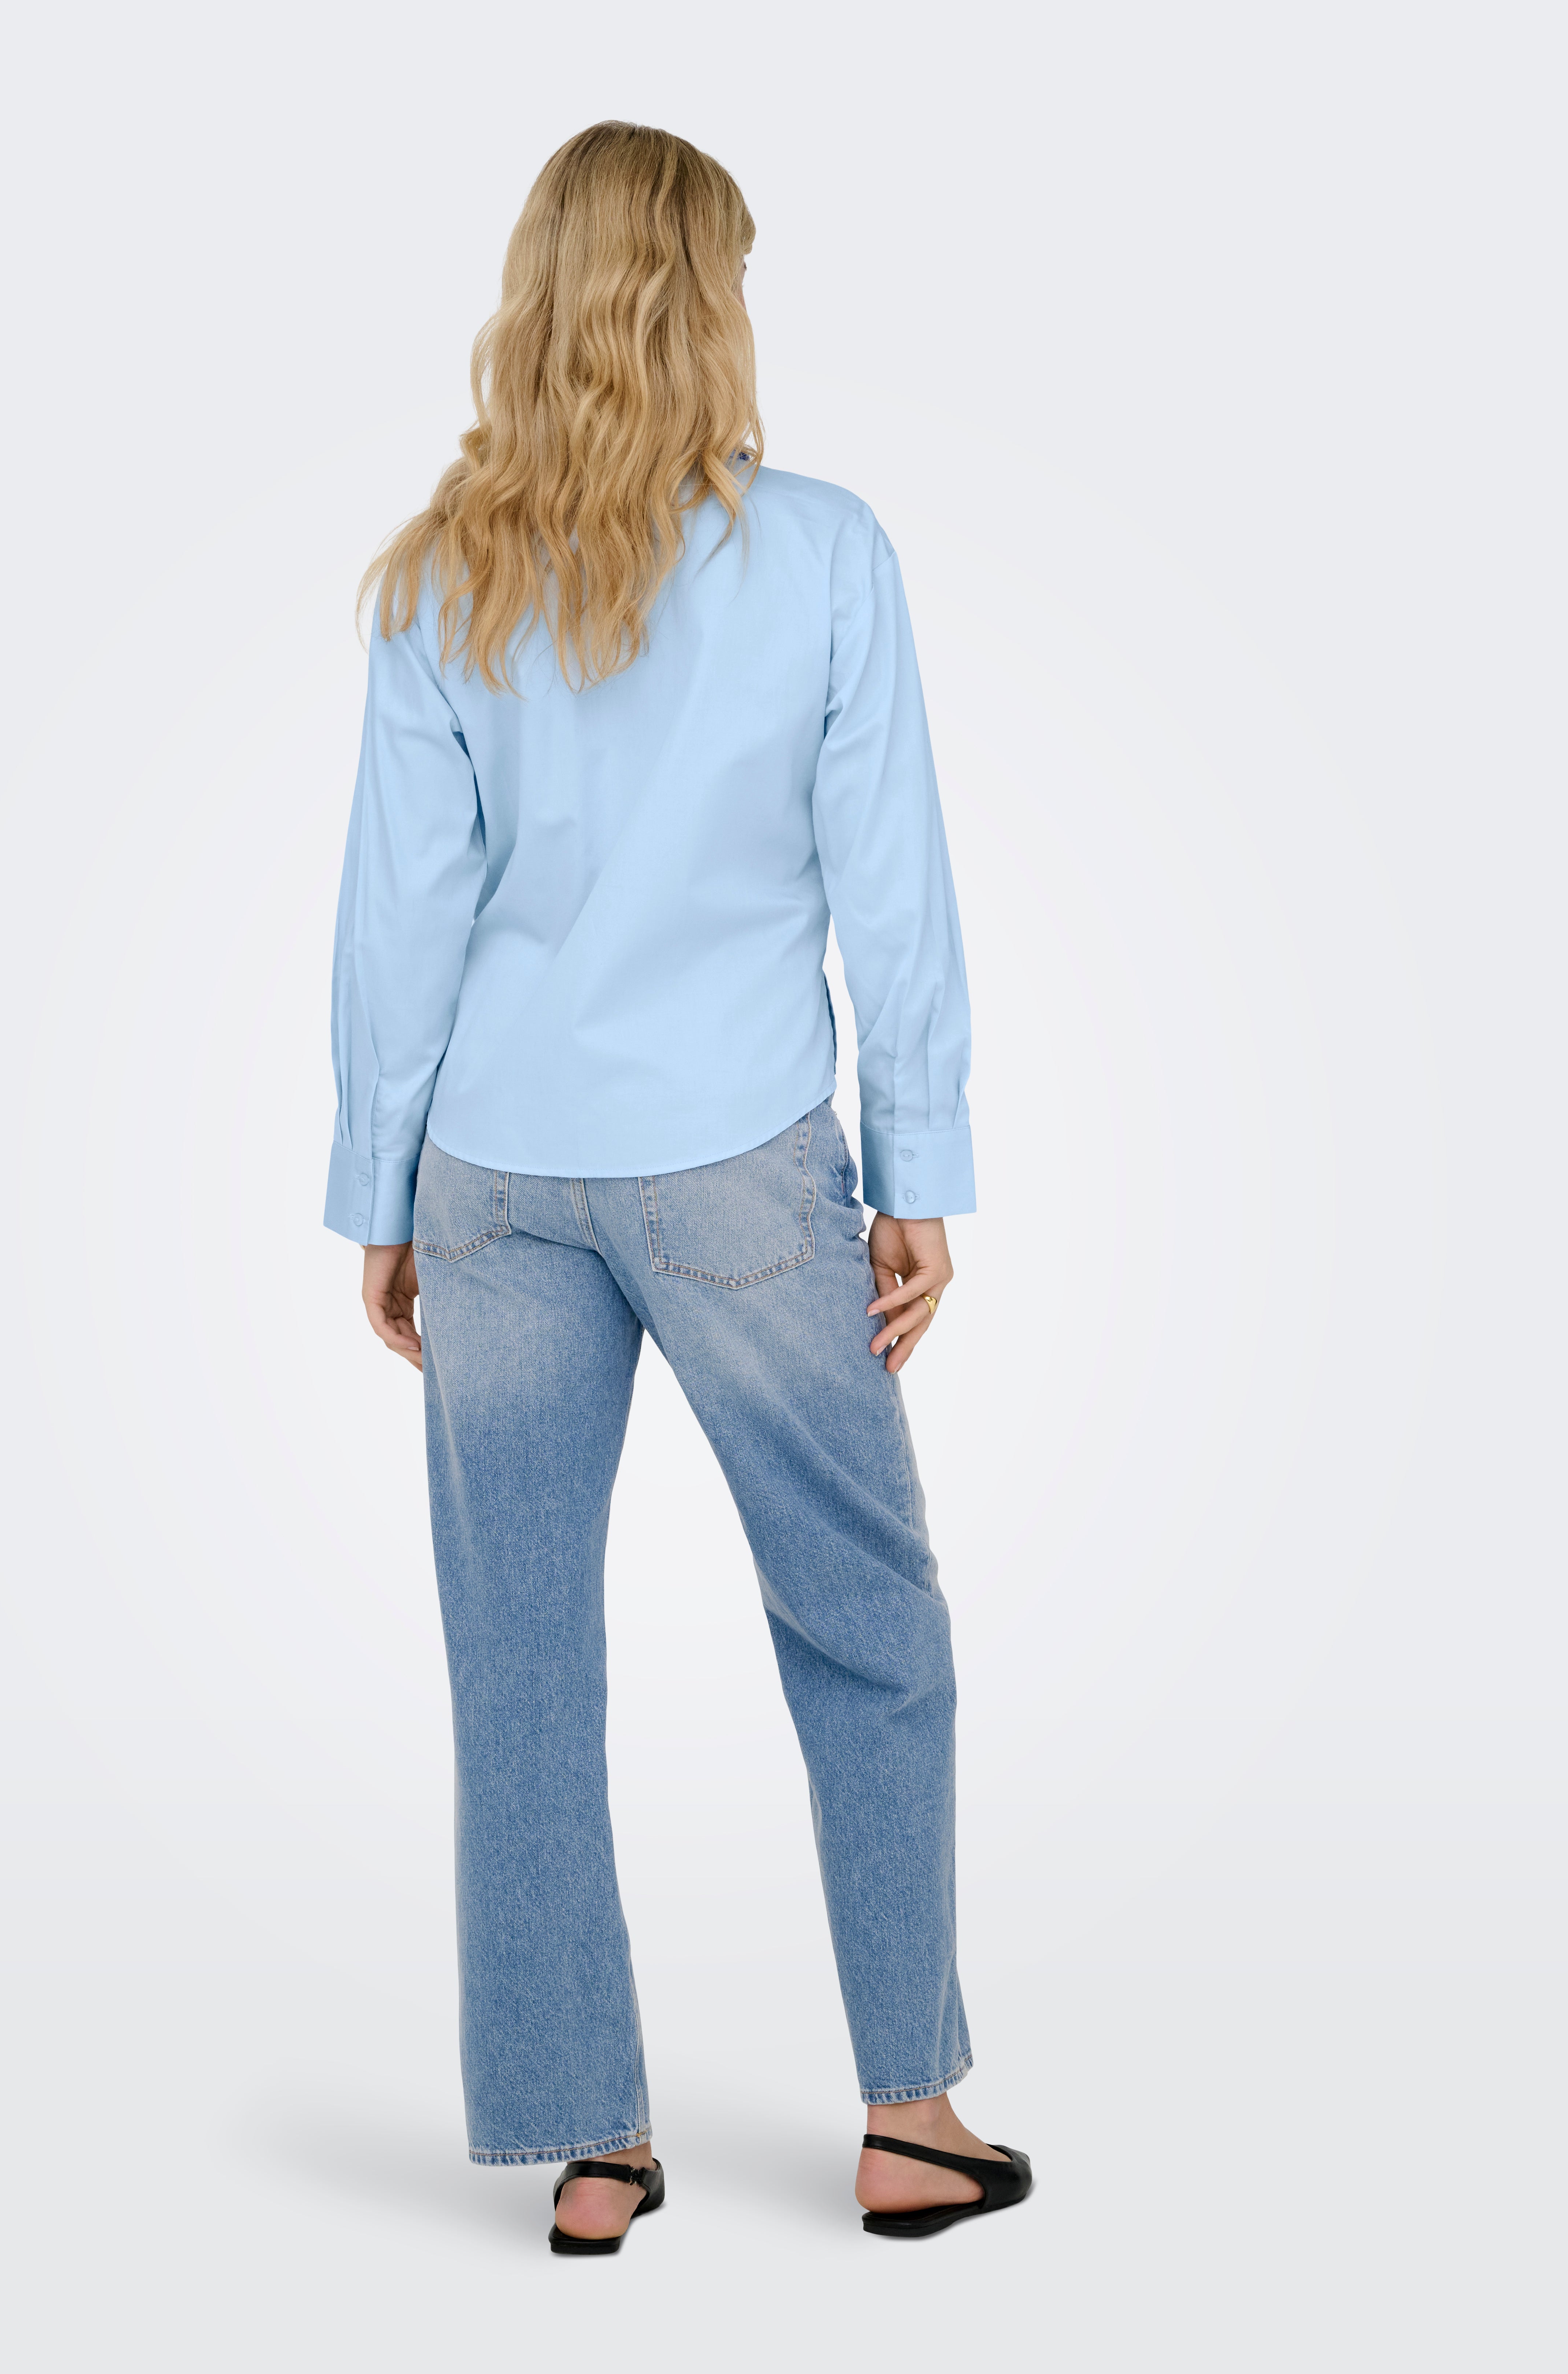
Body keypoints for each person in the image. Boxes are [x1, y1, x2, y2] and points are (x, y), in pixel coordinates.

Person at [323, 120, 1031, 2252]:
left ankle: (589, 2145)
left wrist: (381, 1189)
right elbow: (894, 888)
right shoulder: (822, 554)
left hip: (500, 1174)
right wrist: (920, 1164)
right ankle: (910, 2115)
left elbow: (398, 921)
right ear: (714, 299)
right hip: (738, 1165)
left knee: (520, 1657)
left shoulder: (441, 575)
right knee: (868, 1618)